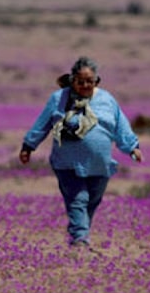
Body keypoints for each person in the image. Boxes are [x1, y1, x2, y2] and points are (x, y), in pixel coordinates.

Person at [19, 56, 143, 248]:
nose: (85, 85)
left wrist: (132, 148)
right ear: (72, 81)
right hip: (67, 163)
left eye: (89, 82)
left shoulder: (107, 100)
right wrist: (28, 146)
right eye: (80, 82)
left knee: (92, 201)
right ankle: (80, 240)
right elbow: (42, 124)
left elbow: (120, 126)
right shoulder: (59, 99)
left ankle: (79, 232)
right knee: (78, 200)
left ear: (97, 81)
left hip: (99, 164)